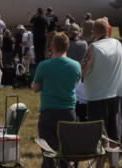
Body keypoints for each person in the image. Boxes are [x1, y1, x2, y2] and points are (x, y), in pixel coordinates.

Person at [33, 33, 81, 168]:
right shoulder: (76, 65)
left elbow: (35, 88)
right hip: (68, 111)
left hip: (48, 111)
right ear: (68, 46)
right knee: (65, 147)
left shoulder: (44, 65)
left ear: (52, 46)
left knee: (48, 149)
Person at [82, 18, 122, 149]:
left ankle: (101, 164)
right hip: (115, 93)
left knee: (100, 135)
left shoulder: (93, 47)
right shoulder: (118, 44)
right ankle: (114, 162)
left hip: (96, 96)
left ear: (93, 32)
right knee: (114, 134)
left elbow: (83, 71)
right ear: (109, 30)